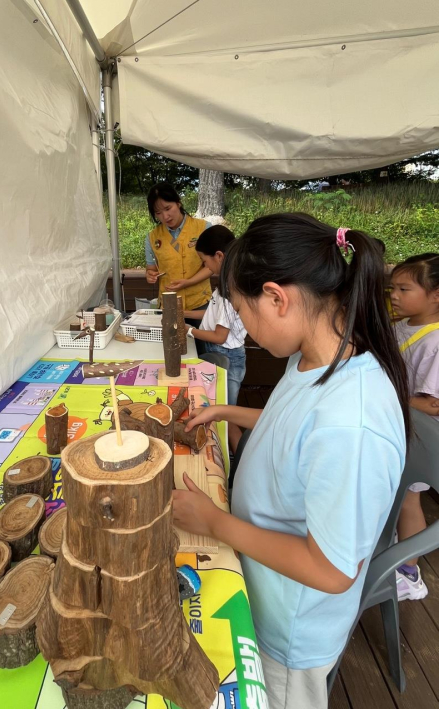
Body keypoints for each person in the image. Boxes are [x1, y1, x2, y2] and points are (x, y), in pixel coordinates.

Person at [173, 214, 409, 709]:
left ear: (278, 298)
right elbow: (291, 427)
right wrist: (225, 410)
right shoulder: (313, 358)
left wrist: (215, 521)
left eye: (243, 310)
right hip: (262, 586)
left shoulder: (353, 421)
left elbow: (331, 570)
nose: (247, 328)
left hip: (290, 627)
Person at [389, 253, 439, 601]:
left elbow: (434, 403)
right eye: (393, 287)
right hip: (397, 426)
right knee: (394, 492)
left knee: (409, 499)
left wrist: (384, 394)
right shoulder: (401, 324)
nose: (394, 295)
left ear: (436, 295)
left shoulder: (434, 341)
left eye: (404, 289)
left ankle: (408, 571)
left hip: (420, 435)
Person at [184, 225, 247, 450]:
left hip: (228, 358)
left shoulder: (231, 288)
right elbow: (211, 314)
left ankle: (240, 462)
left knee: (227, 418)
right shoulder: (225, 285)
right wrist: (183, 314)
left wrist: (189, 331)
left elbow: (220, 336)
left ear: (219, 256)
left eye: (205, 260)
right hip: (221, 355)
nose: (205, 266)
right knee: (221, 413)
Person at [144, 183, 212, 322]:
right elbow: (151, 269)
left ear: (178, 203)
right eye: (158, 213)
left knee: (201, 342)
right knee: (172, 343)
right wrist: (150, 275)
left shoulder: (203, 228)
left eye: (168, 208)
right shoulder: (152, 237)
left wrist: (188, 282)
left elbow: (212, 266)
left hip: (200, 303)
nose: (165, 216)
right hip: (170, 305)